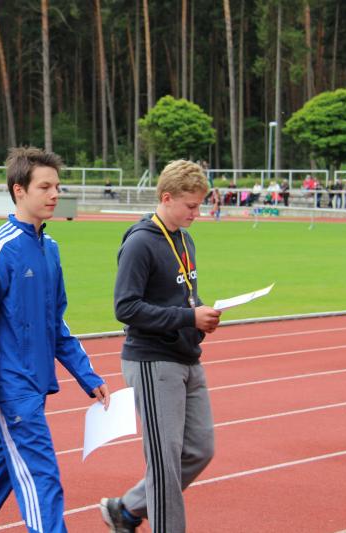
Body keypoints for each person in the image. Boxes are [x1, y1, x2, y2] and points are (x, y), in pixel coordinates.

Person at [0, 147, 110, 533]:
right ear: (19, 190)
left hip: (36, 385)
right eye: (45, 187)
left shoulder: (50, 249)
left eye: (57, 186)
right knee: (41, 478)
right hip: (12, 389)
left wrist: (88, 376)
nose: (55, 194)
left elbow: (56, 323)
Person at [100, 159, 220, 533]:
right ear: (167, 198)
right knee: (164, 464)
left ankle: (126, 510)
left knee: (200, 449)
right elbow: (125, 308)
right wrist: (188, 317)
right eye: (191, 206)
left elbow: (182, 295)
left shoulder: (184, 238)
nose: (197, 214)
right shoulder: (140, 243)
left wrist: (201, 314)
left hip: (186, 356)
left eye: (199, 205)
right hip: (153, 362)